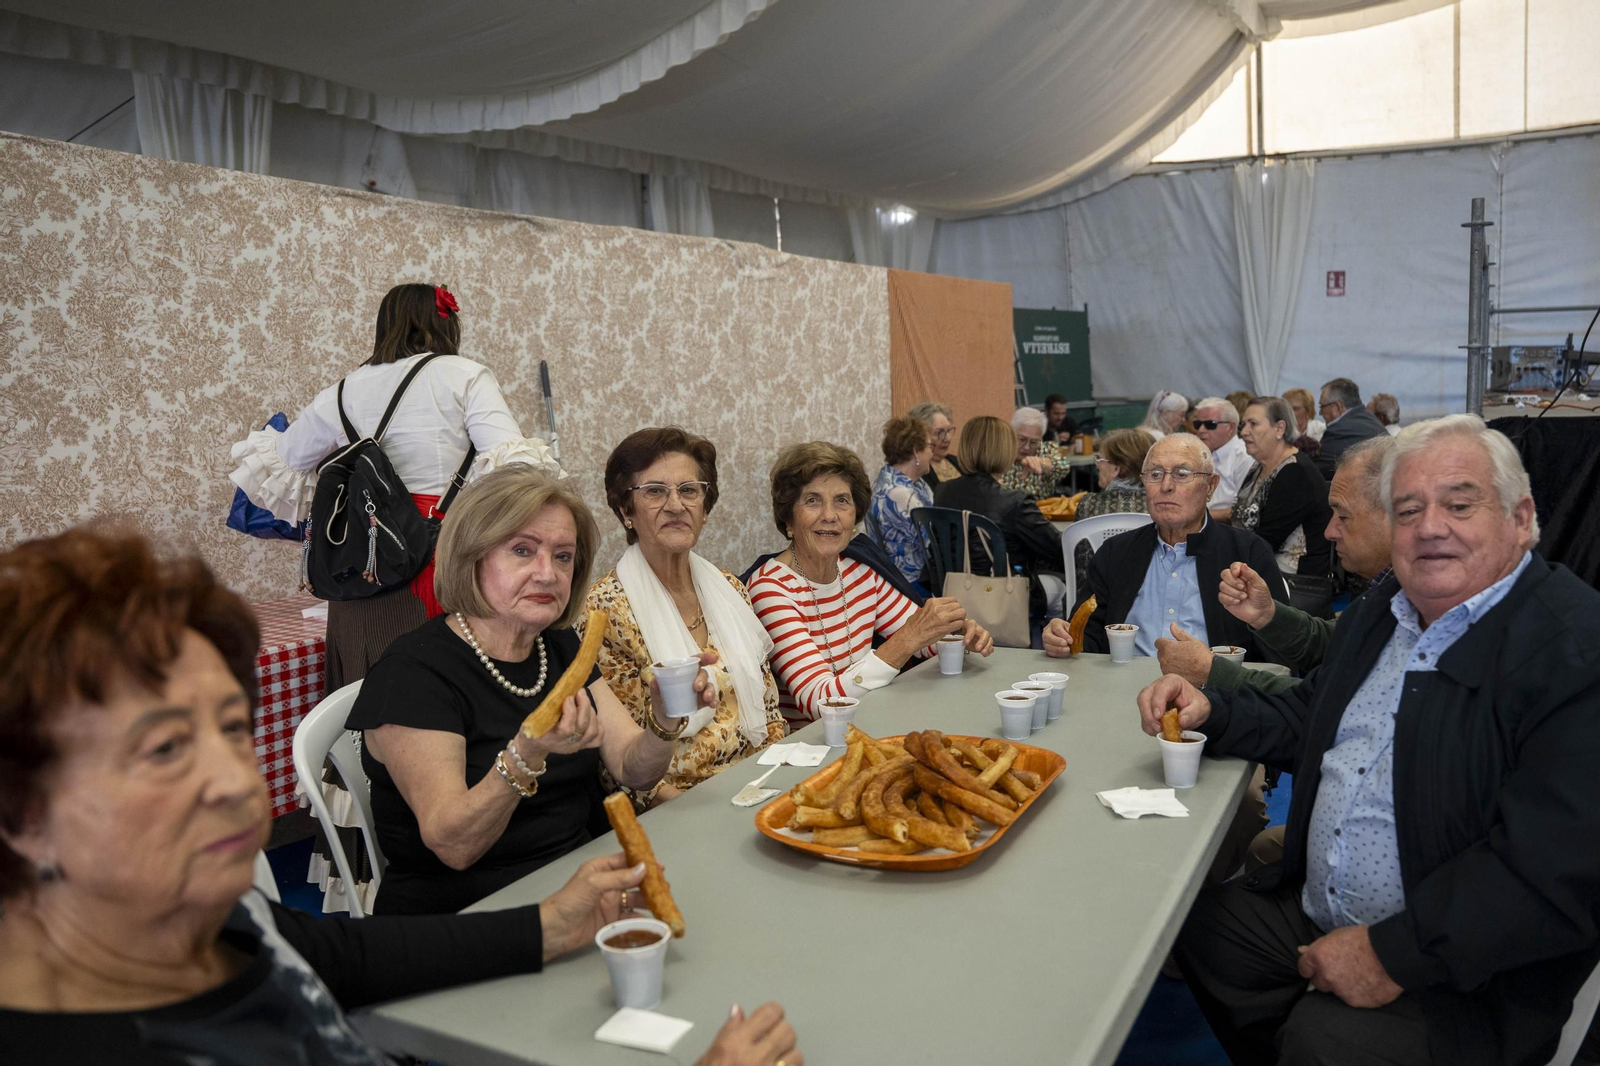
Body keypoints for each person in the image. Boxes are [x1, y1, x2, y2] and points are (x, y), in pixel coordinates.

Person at [0, 527, 801, 1066]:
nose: (236, 782)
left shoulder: (216, 921)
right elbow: (451, 840)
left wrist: (547, 925)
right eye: (165, 749)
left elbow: (346, 954)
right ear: (21, 810)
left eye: (233, 730)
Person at [1139, 413, 1600, 1066]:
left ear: (1520, 519)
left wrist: (1393, 954)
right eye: (1408, 510)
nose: (1430, 527)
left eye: (1459, 505)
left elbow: (1557, 867)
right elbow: (1307, 716)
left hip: (1469, 969)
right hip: (1324, 906)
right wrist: (1211, 710)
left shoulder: (1575, 646)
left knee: (1324, 1041)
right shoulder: (1384, 614)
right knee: (1201, 931)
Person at [347, 465, 716, 915]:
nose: (547, 573)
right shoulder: (413, 675)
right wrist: (528, 751)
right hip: (467, 913)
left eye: (563, 557)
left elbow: (632, 770)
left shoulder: (557, 645)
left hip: (577, 883)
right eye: (522, 551)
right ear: (471, 557)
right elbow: (454, 846)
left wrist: (665, 718)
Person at [229, 282, 559, 692]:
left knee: (364, 694)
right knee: (444, 688)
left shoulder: (342, 390)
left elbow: (282, 462)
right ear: (445, 325)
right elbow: (516, 470)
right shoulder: (463, 375)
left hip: (358, 567)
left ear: (386, 325)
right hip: (435, 557)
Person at [584, 428, 784, 809]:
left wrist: (777, 787)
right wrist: (706, 820)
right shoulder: (605, 611)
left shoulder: (731, 588)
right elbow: (620, 773)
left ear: (704, 509)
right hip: (680, 808)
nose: (675, 505)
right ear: (626, 511)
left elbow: (771, 715)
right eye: (655, 491)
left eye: (689, 490)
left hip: (760, 786)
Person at [748, 442, 993, 728]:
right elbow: (819, 702)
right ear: (789, 519)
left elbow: (924, 640)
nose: (830, 515)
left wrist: (957, 634)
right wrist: (908, 639)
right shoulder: (771, 589)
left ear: (855, 516)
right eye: (812, 500)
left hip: (867, 725)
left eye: (842, 501)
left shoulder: (859, 571)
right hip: (811, 743)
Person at [1157, 435, 1394, 697]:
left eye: (1344, 516)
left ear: (1395, 516)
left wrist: (1213, 672)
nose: (1329, 532)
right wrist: (1267, 615)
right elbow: (1337, 641)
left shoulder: (1417, 602)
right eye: (1155, 475)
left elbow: (1325, 697)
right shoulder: (1390, 589)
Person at [1072, 433, 1288, 661]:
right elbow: (1086, 637)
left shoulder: (1247, 554)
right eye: (1155, 474)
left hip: (1215, 680)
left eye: (1182, 474)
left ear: (1210, 487)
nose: (1166, 486)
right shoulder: (1115, 553)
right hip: (1127, 679)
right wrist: (1062, 639)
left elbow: (1281, 651)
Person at [935, 416, 1068, 617]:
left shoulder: (942, 491)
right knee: (1061, 588)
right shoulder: (1014, 501)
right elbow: (1058, 548)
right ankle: (1044, 637)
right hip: (1002, 598)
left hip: (950, 591)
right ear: (1005, 451)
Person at [1232, 396, 1333, 616]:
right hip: (1260, 569)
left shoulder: (1296, 472)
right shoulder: (1259, 466)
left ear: (1279, 428)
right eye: (1243, 424)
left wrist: (1220, 550)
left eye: (1253, 424)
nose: (1244, 432)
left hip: (1293, 584)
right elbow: (1241, 516)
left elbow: (1265, 541)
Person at [867, 416, 936, 587]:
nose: (932, 453)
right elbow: (934, 544)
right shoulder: (900, 494)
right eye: (929, 446)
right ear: (916, 451)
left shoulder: (889, 479)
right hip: (910, 582)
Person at [1188, 397, 1255, 522]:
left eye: (1210, 424)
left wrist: (1198, 517)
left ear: (1230, 427)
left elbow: (1246, 509)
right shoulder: (1199, 452)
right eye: (1197, 424)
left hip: (1226, 528)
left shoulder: (1244, 457)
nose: (1201, 430)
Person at [1074, 428, 1155, 520]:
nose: (1097, 465)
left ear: (1116, 469)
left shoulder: (1088, 504)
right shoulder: (1161, 505)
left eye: (1100, 459)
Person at [1314, 376, 1387, 478]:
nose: (1320, 413)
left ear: (1337, 407)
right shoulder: (1372, 420)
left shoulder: (1339, 431)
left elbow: (1316, 470)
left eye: (1322, 407)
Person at [1000, 406, 1073, 499]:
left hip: (1040, 506)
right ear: (1011, 433)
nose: (1026, 447)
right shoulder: (999, 451)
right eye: (1022, 440)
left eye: (1033, 442)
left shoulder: (1045, 449)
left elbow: (1064, 466)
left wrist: (1043, 463)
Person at [907, 401, 964, 488]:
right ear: (921, 435)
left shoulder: (958, 462)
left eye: (948, 431)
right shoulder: (919, 469)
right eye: (940, 432)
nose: (947, 438)